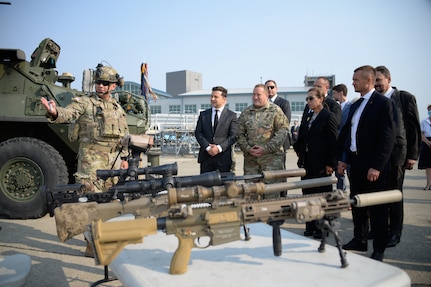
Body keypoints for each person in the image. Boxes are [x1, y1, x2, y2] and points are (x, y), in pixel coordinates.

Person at [40, 63, 129, 257]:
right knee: (88, 203)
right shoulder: (85, 102)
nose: (100, 86)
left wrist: (124, 158)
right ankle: (90, 243)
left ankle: (101, 239)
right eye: (98, 82)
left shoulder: (116, 107)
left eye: (105, 83)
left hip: (112, 162)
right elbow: (68, 113)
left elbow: (124, 134)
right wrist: (54, 112)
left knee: (109, 203)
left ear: (113, 86)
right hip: (91, 163)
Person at [337, 65, 396, 261]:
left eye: (355, 79)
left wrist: (377, 166)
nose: (352, 82)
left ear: (368, 81)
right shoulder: (355, 104)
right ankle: (359, 239)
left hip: (374, 166)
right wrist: (343, 159)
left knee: (377, 209)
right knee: (358, 204)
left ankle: (379, 247)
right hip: (356, 163)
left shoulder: (382, 103)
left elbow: (388, 138)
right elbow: (348, 135)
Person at [374, 65, 421, 247]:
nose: (377, 84)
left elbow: (413, 128)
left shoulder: (404, 98)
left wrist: (412, 155)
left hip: (398, 156)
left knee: (394, 194)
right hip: (378, 156)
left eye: (379, 80)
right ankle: (380, 230)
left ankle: (395, 232)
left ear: (388, 79)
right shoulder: (374, 101)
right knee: (379, 195)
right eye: (375, 81)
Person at [293, 87, 338, 239]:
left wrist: (331, 164)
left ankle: (321, 228)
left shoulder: (328, 116)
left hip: (321, 164)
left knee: (321, 196)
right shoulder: (308, 116)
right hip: (307, 163)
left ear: (321, 99)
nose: (309, 102)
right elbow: (303, 137)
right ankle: (310, 226)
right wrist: (298, 149)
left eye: (311, 98)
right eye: (307, 99)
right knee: (307, 194)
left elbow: (333, 142)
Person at [237, 84, 289, 186]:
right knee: (252, 195)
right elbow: (239, 134)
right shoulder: (246, 113)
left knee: (272, 195)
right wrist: (248, 148)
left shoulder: (275, 111)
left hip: (271, 161)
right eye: (253, 94)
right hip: (251, 163)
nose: (255, 97)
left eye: (258, 95)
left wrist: (266, 148)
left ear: (266, 95)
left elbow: (282, 132)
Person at [195, 86, 238, 173]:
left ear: (224, 99)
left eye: (216, 97)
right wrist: (207, 147)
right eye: (211, 96)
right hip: (206, 158)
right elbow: (198, 133)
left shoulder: (231, 116)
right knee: (205, 185)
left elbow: (234, 136)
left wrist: (218, 148)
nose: (212, 99)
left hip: (223, 159)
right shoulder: (203, 115)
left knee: (224, 185)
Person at [332, 84, 353, 191]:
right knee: (339, 174)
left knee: (350, 173)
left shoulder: (351, 106)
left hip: (348, 145)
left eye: (334, 93)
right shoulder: (336, 107)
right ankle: (341, 193)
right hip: (338, 145)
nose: (333, 96)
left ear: (341, 93)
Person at [265, 80, 291, 159]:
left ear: (276, 89)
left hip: (280, 141)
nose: (269, 89)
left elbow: (286, 121)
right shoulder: (262, 104)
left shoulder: (284, 103)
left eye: (272, 87)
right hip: (264, 142)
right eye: (267, 87)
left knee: (279, 169)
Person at [418, 104, 431, 190]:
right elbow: (421, 134)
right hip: (427, 143)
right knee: (428, 166)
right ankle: (428, 184)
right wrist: (427, 142)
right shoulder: (424, 122)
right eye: (429, 110)